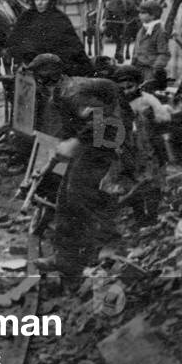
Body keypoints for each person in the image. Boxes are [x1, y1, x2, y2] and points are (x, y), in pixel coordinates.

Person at [26, 53, 126, 277]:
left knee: (82, 193)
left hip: (109, 137)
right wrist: (51, 163)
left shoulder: (72, 93)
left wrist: (77, 144)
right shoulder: (60, 95)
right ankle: (66, 258)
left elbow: (101, 120)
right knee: (64, 195)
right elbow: (69, 133)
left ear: (44, 79)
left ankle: (107, 250)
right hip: (95, 137)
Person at [111, 65, 171, 225]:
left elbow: (163, 119)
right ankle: (139, 216)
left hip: (148, 148)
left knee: (152, 182)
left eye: (129, 87)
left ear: (138, 85)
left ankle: (152, 215)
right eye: (121, 88)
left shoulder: (147, 100)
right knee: (131, 184)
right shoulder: (114, 102)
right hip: (126, 149)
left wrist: (150, 117)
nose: (126, 91)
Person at [8, 0, 92, 77]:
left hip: (55, 63)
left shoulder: (59, 18)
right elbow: (15, 40)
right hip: (30, 63)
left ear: (50, 0)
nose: (39, 3)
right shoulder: (26, 17)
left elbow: (73, 44)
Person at [131, 0, 169, 88]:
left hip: (151, 69)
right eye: (139, 12)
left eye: (143, 13)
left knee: (147, 88)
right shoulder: (142, 29)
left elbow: (164, 53)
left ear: (153, 15)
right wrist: (133, 62)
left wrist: (157, 68)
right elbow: (136, 47)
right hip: (139, 66)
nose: (140, 15)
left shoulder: (160, 31)